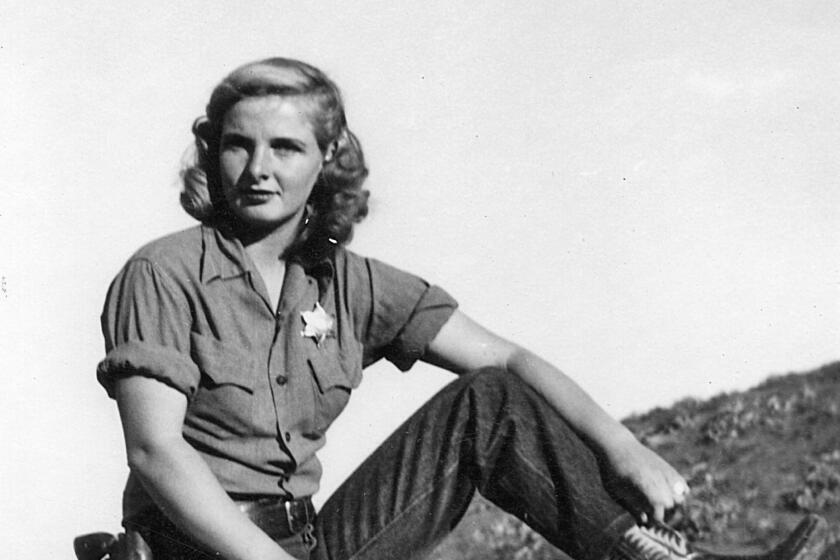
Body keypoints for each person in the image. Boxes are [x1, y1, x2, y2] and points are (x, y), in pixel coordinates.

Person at [96, 57, 827, 560]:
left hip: (313, 540)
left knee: (488, 402)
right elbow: (158, 454)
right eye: (237, 146)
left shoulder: (351, 283)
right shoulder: (162, 273)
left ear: (327, 159)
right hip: (197, 549)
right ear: (211, 154)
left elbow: (506, 361)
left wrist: (621, 446)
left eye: (285, 147)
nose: (258, 169)